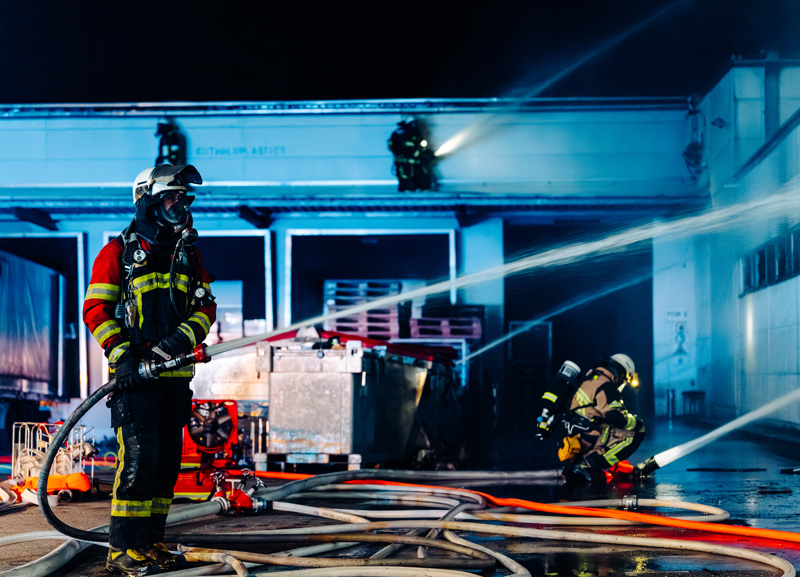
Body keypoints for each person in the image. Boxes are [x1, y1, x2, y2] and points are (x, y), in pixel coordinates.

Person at [83, 164, 216, 576]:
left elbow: (205, 307)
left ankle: (151, 543)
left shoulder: (187, 253)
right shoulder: (117, 254)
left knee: (165, 467)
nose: (180, 205)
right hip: (136, 382)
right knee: (138, 463)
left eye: (183, 199)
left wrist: (180, 341)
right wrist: (124, 357)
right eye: (173, 197)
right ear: (149, 200)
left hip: (174, 381)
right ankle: (123, 549)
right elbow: (96, 311)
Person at [535, 354, 645, 484]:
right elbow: (616, 418)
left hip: (567, 439)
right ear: (622, 374)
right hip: (585, 439)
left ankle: (577, 464)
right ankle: (591, 464)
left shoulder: (586, 378)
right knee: (637, 429)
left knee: (600, 424)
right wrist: (633, 420)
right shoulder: (607, 386)